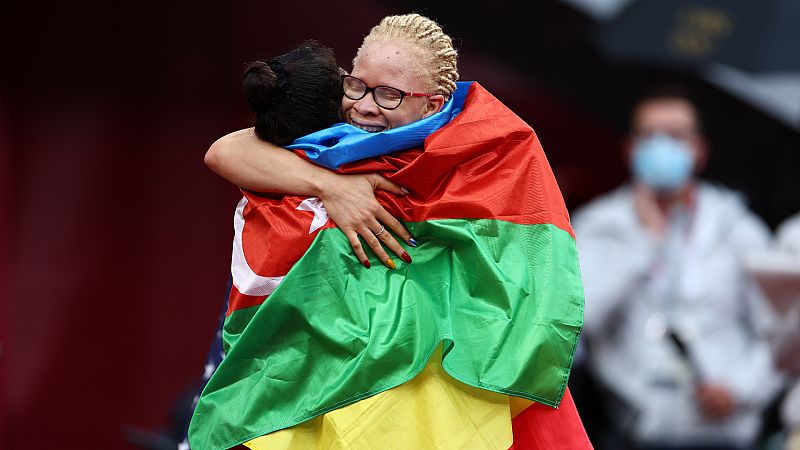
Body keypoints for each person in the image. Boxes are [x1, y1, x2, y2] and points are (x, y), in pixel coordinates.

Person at [190, 14, 590, 450]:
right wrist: (331, 186)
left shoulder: (482, 156)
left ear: (434, 105)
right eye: (356, 85)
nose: (363, 105)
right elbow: (224, 150)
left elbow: (523, 274)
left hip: (431, 399)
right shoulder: (326, 144)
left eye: (389, 94)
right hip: (315, 392)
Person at [571, 85, 782, 450]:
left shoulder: (737, 228)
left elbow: (780, 330)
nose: (662, 146)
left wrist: (741, 390)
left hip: (723, 433)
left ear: (699, 151)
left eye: (675, 136)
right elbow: (576, 324)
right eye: (650, 135)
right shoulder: (599, 225)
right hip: (627, 434)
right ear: (630, 149)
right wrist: (643, 244)